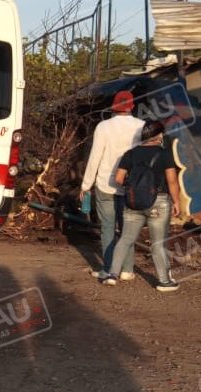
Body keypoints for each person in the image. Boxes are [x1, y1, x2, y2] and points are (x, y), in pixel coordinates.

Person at [104, 120, 183, 292]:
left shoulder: (130, 153)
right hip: (159, 202)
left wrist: (134, 187)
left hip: (132, 202)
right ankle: (164, 282)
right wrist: (177, 202)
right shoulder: (164, 154)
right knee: (158, 243)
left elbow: (118, 178)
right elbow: (172, 181)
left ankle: (112, 275)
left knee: (125, 238)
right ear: (159, 135)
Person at [80, 90, 145, 280]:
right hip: (130, 186)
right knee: (128, 228)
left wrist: (86, 185)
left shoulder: (103, 126)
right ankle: (127, 269)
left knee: (107, 227)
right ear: (132, 106)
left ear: (114, 107)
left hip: (105, 184)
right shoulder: (141, 126)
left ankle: (108, 269)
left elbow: (95, 157)